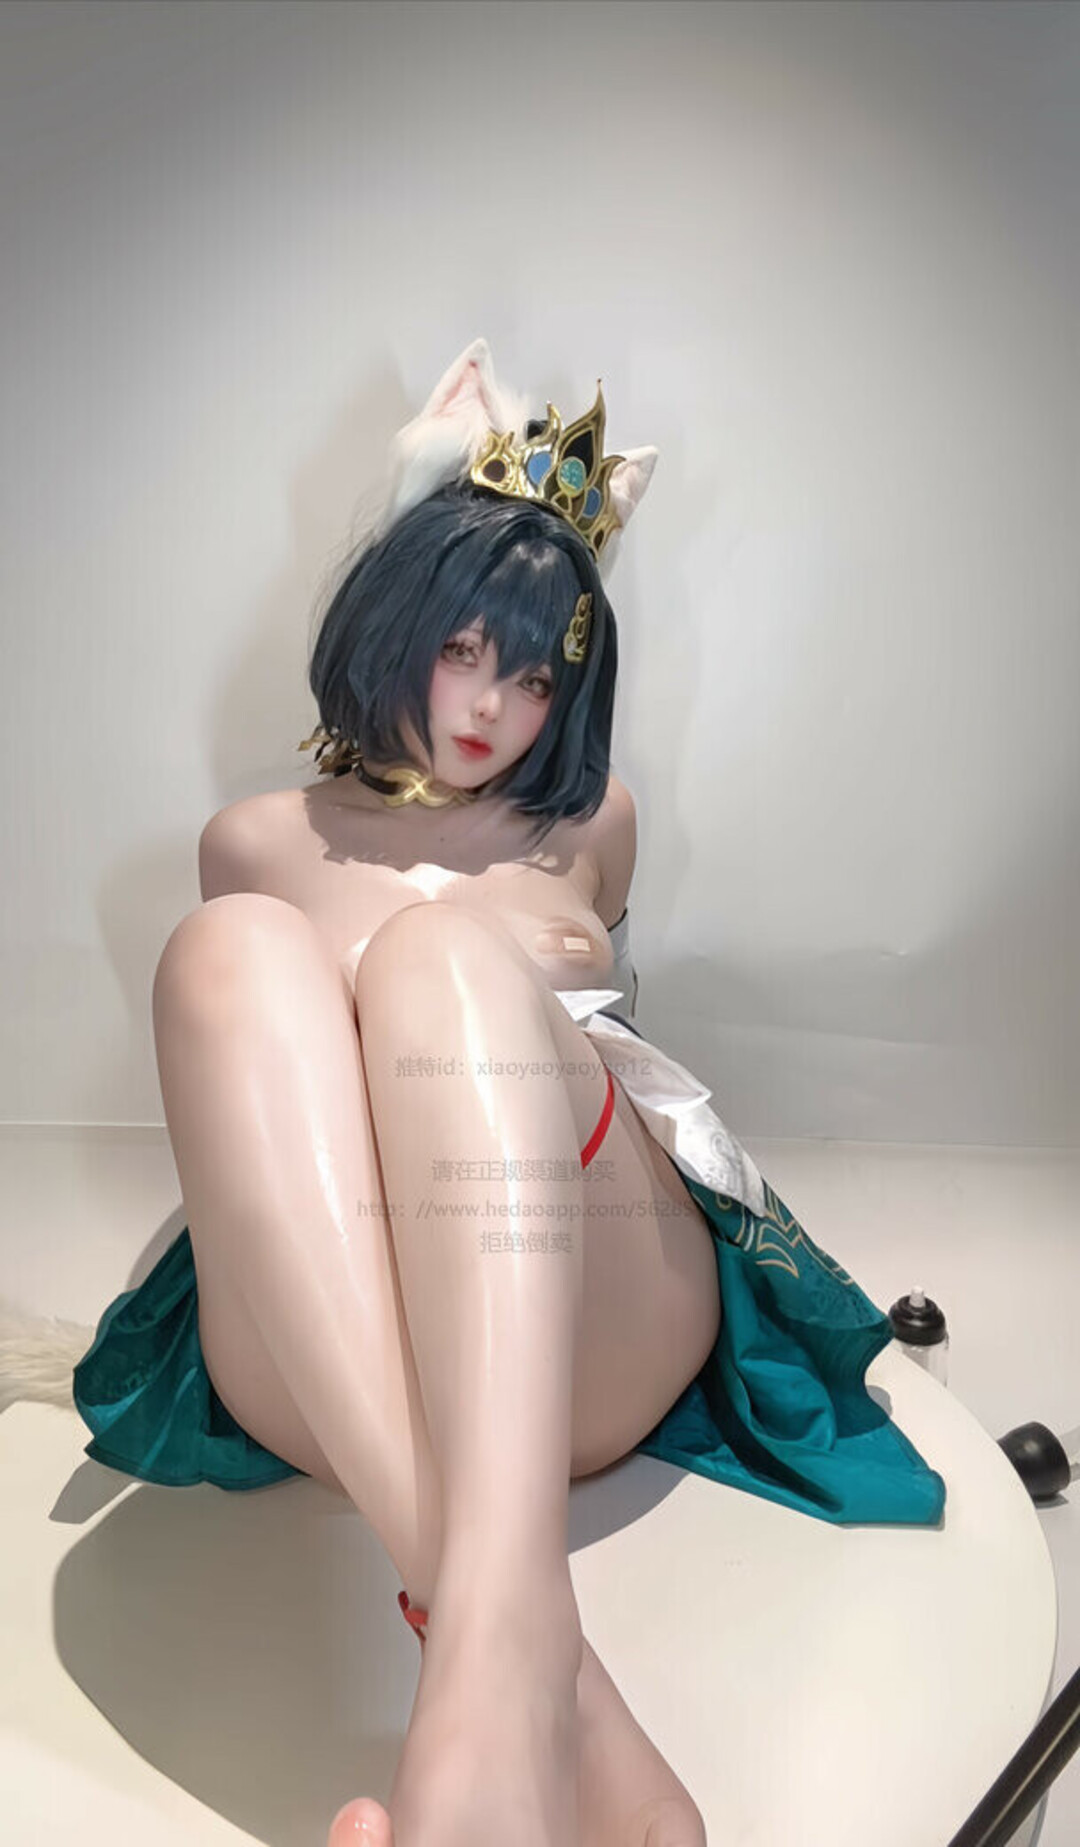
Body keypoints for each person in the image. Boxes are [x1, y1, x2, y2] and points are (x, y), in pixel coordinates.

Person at [71, 339, 945, 1847]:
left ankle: (490, 1698)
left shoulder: (591, 822)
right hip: (325, 1358)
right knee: (224, 954)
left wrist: (470, 947)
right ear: (395, 623)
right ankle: (532, 1679)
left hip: (579, 1316)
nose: (489, 708)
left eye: (536, 677)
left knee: (439, 963)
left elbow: (612, 1069)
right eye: (464, 648)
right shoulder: (252, 843)